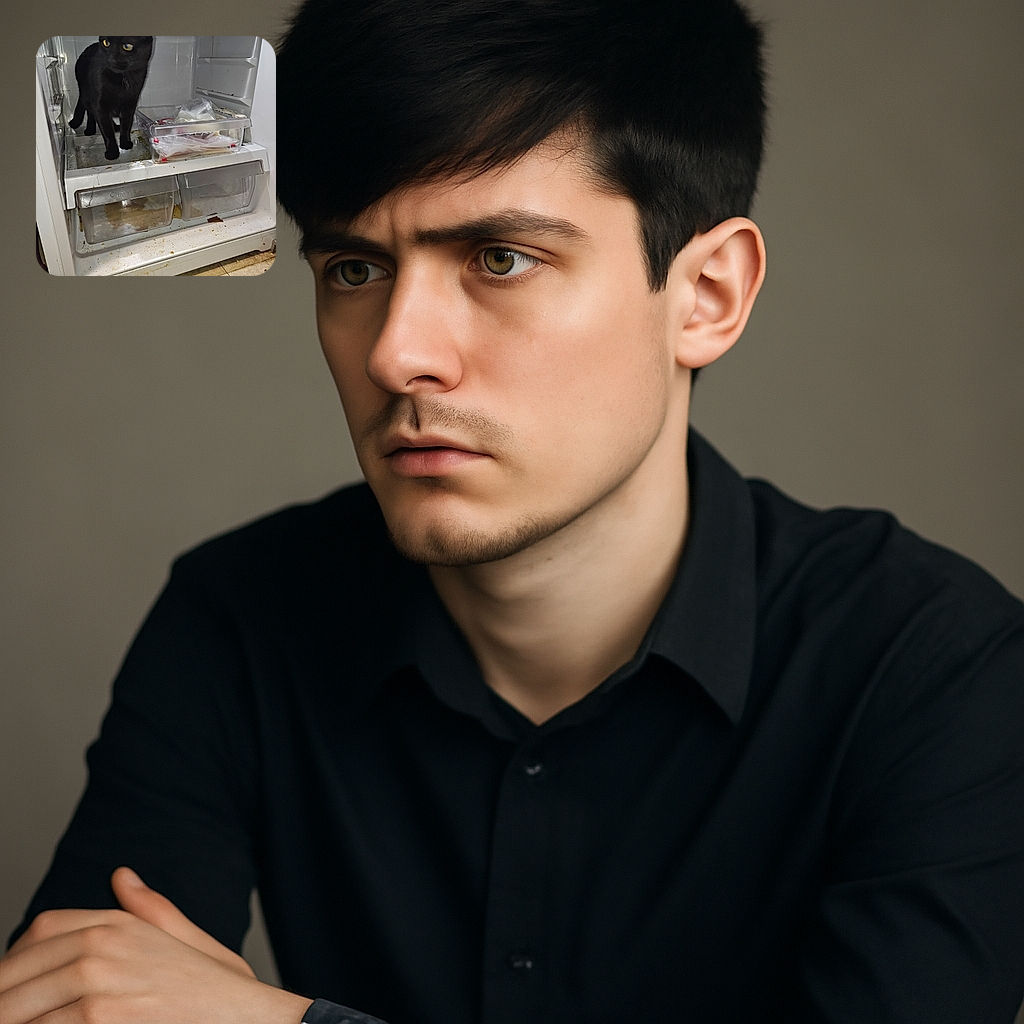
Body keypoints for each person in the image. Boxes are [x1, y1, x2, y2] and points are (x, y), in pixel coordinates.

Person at [4, 0, 1024, 1021]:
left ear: (707, 294)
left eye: (499, 258)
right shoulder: (237, 617)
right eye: (354, 269)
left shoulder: (938, 670)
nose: (395, 352)